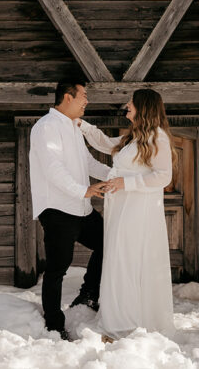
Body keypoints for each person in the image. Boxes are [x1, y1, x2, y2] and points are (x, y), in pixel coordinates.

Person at [78, 88, 174, 337]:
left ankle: (131, 321)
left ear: (144, 107)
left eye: (131, 102)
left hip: (138, 212)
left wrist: (125, 183)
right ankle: (119, 316)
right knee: (119, 259)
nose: (127, 105)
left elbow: (164, 176)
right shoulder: (133, 138)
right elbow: (103, 143)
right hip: (121, 209)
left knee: (131, 259)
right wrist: (81, 125)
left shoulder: (158, 138)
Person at [29, 80, 110, 340]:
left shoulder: (74, 128)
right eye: (83, 96)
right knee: (57, 268)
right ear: (67, 97)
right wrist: (82, 190)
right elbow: (53, 168)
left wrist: (118, 177)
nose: (87, 101)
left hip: (82, 209)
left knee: (108, 241)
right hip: (58, 209)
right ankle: (54, 325)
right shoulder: (46, 127)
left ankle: (88, 294)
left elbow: (88, 162)